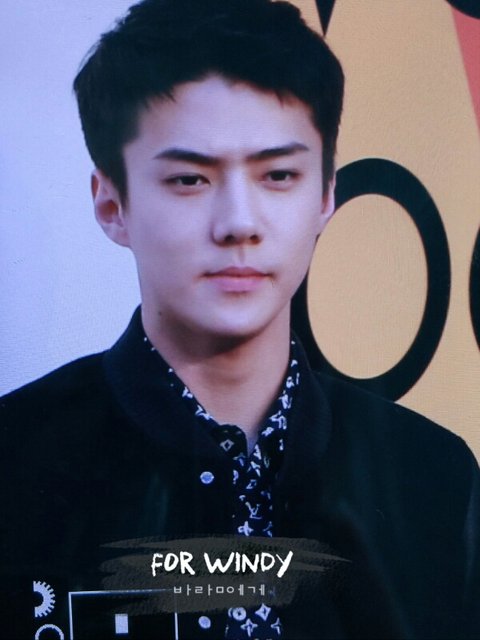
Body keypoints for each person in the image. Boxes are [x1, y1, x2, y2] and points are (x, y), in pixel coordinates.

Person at [1, 0, 479, 638]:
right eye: (190, 180)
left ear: (325, 194)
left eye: (278, 174)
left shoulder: (432, 475)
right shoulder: (16, 466)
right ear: (112, 204)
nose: (239, 223)